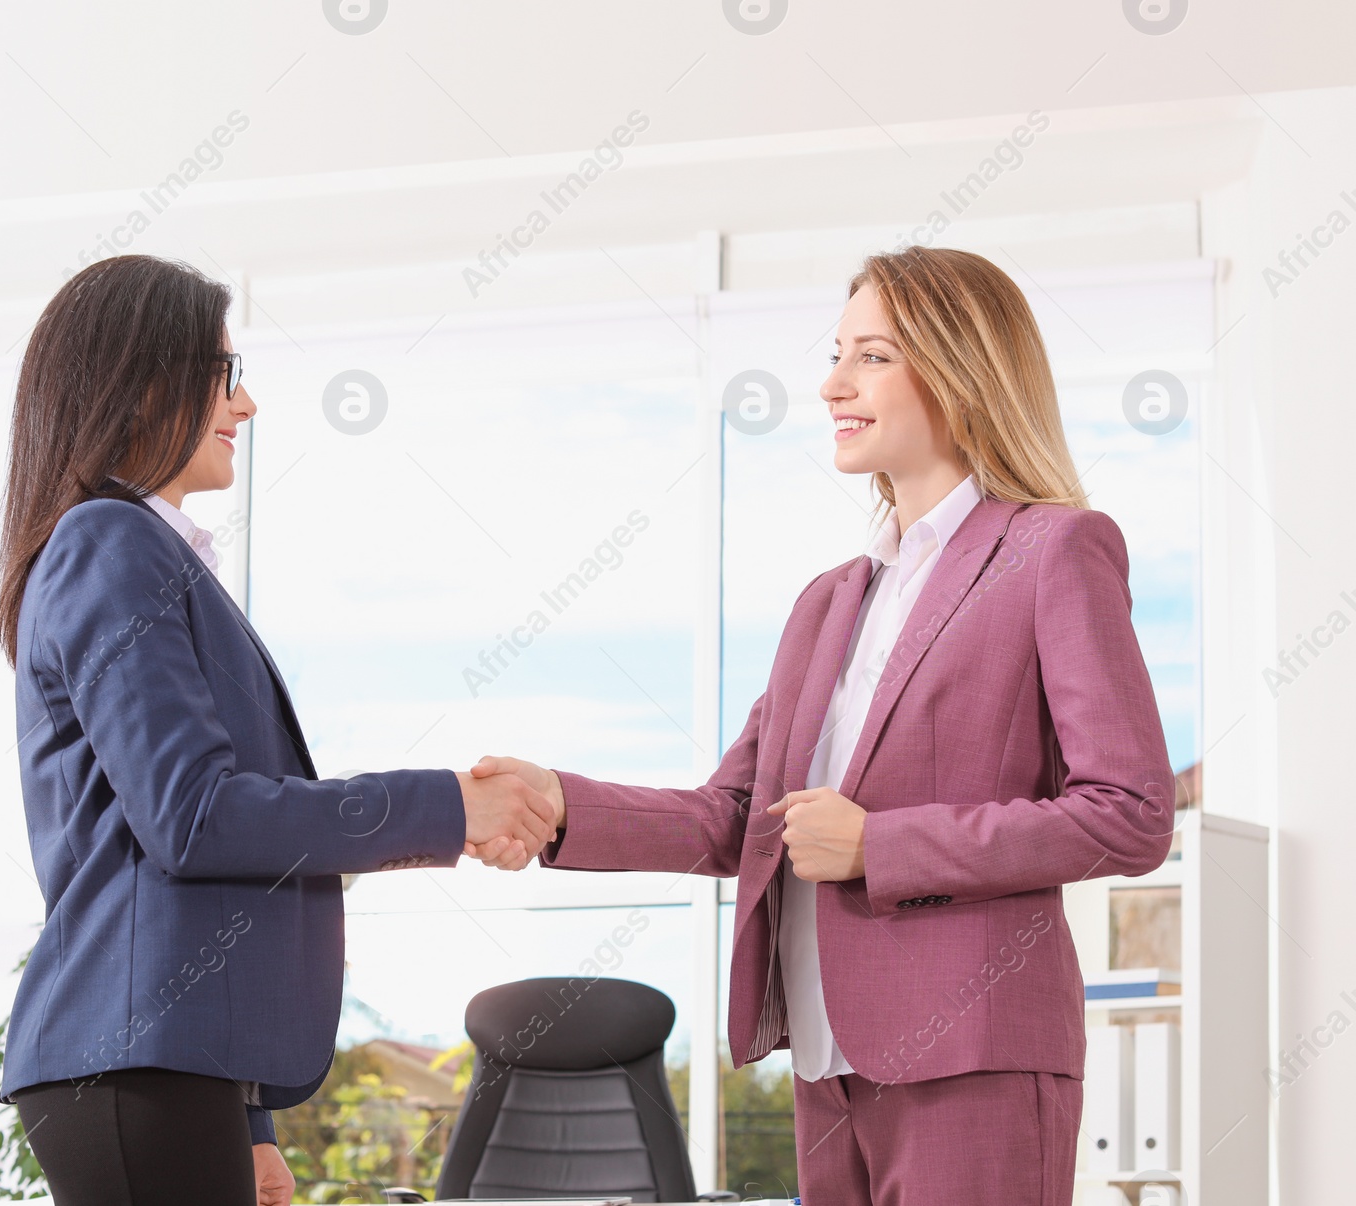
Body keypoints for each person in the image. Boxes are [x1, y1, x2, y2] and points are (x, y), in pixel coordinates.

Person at [473, 247, 1176, 1205]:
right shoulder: (827, 603)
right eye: (837, 353)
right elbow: (742, 817)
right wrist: (563, 808)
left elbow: (1130, 812)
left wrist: (880, 843)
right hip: (826, 1060)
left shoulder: (1054, 548)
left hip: (974, 1053)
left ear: (961, 367)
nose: (833, 384)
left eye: (872, 356)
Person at [0, 255, 550, 1206]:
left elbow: (155, 854)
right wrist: (450, 807)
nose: (244, 405)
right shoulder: (109, 542)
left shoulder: (137, 551)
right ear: (140, 379)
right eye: (223, 374)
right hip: (133, 1060)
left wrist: (247, 1119)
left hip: (166, 1060)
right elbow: (196, 819)